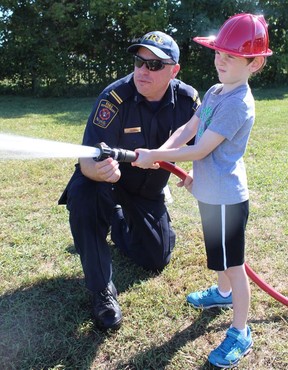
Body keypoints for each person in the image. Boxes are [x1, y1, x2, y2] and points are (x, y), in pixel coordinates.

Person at [132, 14, 272, 368]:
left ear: (254, 63)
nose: (220, 60)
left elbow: (200, 149)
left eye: (231, 56)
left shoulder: (238, 103)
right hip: (210, 193)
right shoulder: (214, 92)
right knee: (219, 258)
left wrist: (158, 156)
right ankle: (222, 294)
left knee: (234, 265)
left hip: (226, 200)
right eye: (218, 52)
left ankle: (241, 331)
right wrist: (162, 151)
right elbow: (189, 128)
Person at [58, 31, 200, 331]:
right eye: (139, 61)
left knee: (156, 258)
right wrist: (98, 172)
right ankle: (102, 292)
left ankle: (119, 221)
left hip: (147, 189)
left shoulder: (188, 99)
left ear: (174, 70)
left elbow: (201, 147)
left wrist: (196, 171)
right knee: (85, 196)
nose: (142, 70)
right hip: (106, 181)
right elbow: (86, 159)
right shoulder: (114, 97)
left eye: (154, 65)